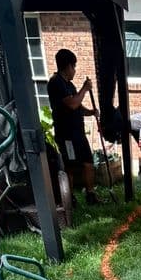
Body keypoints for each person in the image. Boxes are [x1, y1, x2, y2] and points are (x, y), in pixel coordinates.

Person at [47, 48, 99, 205]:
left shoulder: (69, 85)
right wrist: (85, 88)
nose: (75, 71)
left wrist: (91, 112)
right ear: (68, 66)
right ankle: (70, 199)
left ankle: (91, 195)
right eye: (74, 67)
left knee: (88, 162)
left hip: (79, 133)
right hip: (67, 135)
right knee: (70, 167)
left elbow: (78, 106)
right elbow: (72, 104)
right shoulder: (56, 83)